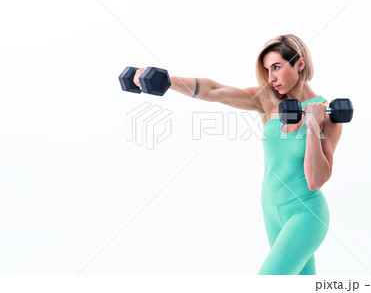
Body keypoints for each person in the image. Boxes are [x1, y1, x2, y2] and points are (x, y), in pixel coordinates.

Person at [133, 34, 342, 275]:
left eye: (276, 67)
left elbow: (315, 180)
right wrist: (167, 81)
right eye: (267, 69)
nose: (271, 77)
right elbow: (215, 90)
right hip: (272, 210)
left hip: (306, 214)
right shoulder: (267, 101)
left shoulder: (328, 115)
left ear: (300, 64)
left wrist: (313, 124)